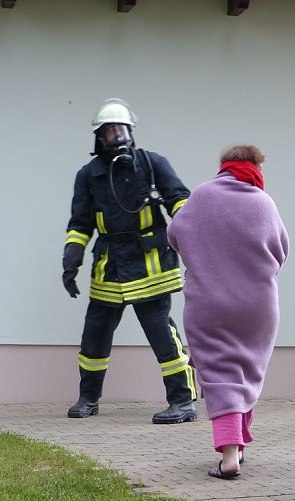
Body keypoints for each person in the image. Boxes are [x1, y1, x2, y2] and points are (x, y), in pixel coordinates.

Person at [62, 98, 197, 423]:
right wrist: (71, 259)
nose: (117, 136)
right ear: (99, 138)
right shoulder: (88, 175)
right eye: (110, 131)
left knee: (161, 333)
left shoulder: (152, 164)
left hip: (150, 262)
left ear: (131, 132)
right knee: (94, 334)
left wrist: (186, 233)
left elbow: (180, 199)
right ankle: (88, 398)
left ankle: (183, 402)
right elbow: (80, 223)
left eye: (121, 129)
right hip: (109, 265)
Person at [167, 145, 289, 479]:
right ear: (256, 167)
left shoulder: (202, 196)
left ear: (224, 166)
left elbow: (174, 235)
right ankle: (239, 443)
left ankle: (230, 454)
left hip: (209, 303)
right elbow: (281, 251)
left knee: (220, 374)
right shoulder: (264, 202)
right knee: (247, 370)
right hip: (258, 305)